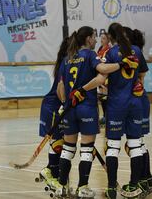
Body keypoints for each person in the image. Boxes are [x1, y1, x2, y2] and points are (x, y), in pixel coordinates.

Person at [55, 26, 134, 198]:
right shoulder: (90, 55)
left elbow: (60, 87)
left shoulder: (67, 59)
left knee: (68, 149)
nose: (96, 40)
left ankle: (61, 187)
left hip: (69, 108)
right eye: (94, 37)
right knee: (86, 149)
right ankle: (82, 187)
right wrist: (121, 64)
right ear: (88, 39)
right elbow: (103, 71)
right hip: (87, 108)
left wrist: (64, 103)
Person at [103, 23, 146, 199]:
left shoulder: (111, 53)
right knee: (136, 146)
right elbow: (142, 76)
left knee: (113, 147)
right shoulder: (137, 50)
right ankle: (134, 185)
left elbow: (103, 75)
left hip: (116, 104)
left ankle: (112, 188)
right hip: (135, 103)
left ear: (111, 37)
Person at [124, 27, 152, 196]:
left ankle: (142, 181)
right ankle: (147, 179)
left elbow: (142, 76)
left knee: (136, 144)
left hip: (138, 101)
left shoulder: (134, 52)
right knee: (138, 144)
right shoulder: (129, 52)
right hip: (137, 101)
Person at [37, 37, 69, 192]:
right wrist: (64, 104)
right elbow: (60, 88)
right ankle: (51, 173)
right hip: (53, 107)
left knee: (60, 142)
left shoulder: (65, 61)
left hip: (53, 105)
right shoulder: (66, 62)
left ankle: (53, 173)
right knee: (57, 142)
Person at [97, 33, 111, 127]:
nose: (102, 40)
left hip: (106, 77)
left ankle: (107, 117)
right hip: (99, 75)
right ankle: (104, 116)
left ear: (108, 40)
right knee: (102, 97)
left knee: (106, 97)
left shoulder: (108, 50)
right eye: (101, 38)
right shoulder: (100, 49)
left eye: (104, 38)